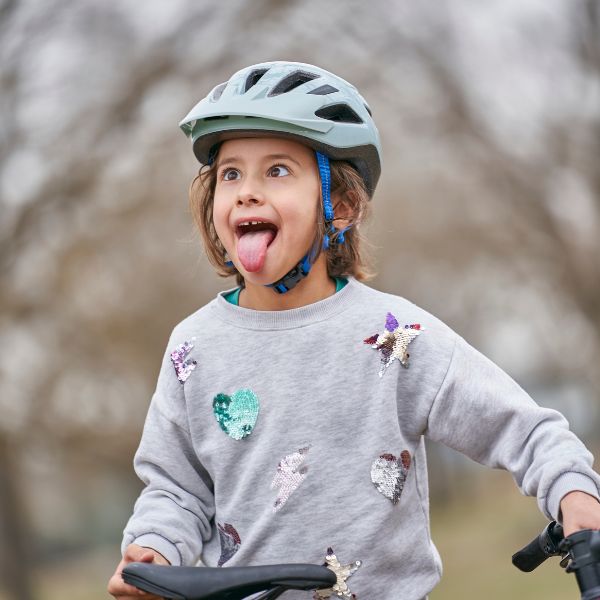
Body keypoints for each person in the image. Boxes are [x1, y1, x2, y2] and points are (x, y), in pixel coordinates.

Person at [108, 61, 600, 600]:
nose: (246, 192)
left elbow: (520, 428)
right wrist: (155, 546)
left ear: (337, 206)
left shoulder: (392, 334)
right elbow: (178, 489)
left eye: (276, 171)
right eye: (230, 174)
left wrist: (572, 491)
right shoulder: (193, 348)